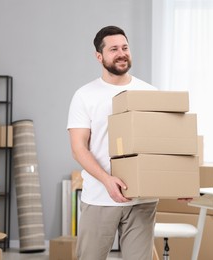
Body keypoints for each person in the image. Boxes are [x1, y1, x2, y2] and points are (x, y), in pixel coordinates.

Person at [67, 25, 159, 260]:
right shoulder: (85, 95)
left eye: (125, 47)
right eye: (114, 49)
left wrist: (177, 184)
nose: (122, 53)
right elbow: (78, 148)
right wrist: (107, 181)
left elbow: (162, 143)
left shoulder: (149, 92)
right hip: (100, 196)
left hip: (142, 198)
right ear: (99, 56)